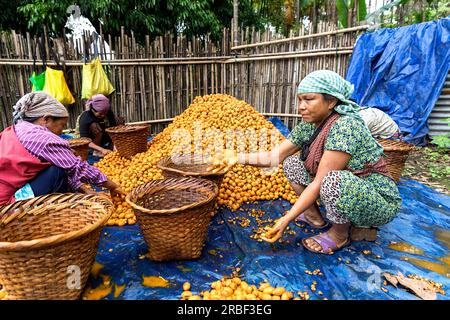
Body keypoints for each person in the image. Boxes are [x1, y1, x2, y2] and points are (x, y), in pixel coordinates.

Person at [221, 70, 402, 254]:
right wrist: (234, 157)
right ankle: (314, 217)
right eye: (299, 100)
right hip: (347, 188)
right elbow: (273, 157)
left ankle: (340, 235)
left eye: (308, 99)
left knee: (332, 181)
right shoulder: (309, 125)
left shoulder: (346, 127)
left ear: (331, 101)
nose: (301, 106)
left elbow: (319, 182)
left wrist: (286, 219)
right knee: (292, 163)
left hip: (376, 199)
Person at [0, 92, 125, 205]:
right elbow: (78, 168)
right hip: (6, 204)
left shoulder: (20, 127)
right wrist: (112, 186)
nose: (61, 132)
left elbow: (66, 167)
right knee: (56, 172)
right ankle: (55, 213)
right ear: (46, 119)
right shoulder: (42, 139)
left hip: (14, 188)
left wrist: (86, 191)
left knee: (57, 168)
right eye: (62, 125)